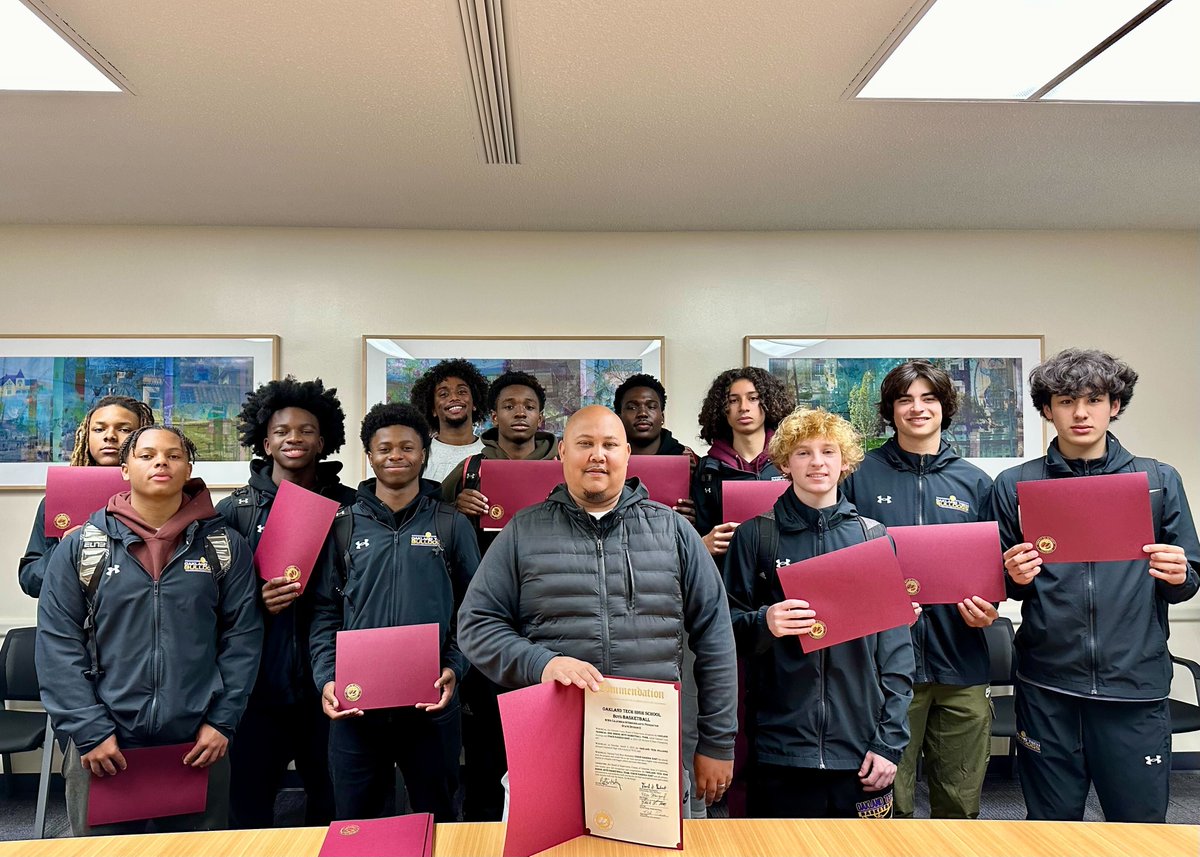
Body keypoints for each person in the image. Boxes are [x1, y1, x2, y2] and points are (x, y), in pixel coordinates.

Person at [458, 405, 739, 812]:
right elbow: (475, 626)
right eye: (584, 444)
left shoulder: (675, 531)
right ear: (561, 454)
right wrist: (542, 664)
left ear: (627, 454)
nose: (597, 455)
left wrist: (717, 742)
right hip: (549, 743)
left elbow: (716, 637)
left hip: (646, 748)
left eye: (609, 444)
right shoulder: (522, 531)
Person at [996, 349, 1199, 823]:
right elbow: (1003, 584)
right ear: (1047, 409)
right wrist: (1014, 575)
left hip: (1135, 685)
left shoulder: (1156, 480)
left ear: (1116, 406)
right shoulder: (1015, 484)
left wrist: (1179, 574)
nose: (1081, 413)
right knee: (1050, 827)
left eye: (1094, 399)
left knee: (1140, 827)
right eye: (1066, 400)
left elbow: (1188, 577)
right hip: (1047, 684)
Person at [35, 425, 262, 836]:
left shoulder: (223, 545)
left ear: (189, 467)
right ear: (124, 468)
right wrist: (89, 729)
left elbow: (242, 639)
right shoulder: (83, 545)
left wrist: (222, 722)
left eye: (174, 455)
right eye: (147, 455)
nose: (161, 462)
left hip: (198, 741)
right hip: (104, 744)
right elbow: (57, 643)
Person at [723, 408, 914, 819]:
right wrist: (765, 622)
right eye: (803, 452)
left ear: (845, 462)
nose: (817, 462)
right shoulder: (755, 536)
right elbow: (722, 631)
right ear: (785, 464)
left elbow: (897, 656)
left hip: (861, 750)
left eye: (828, 451)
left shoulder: (873, 538)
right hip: (780, 747)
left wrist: (889, 744)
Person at [309, 403, 480, 823]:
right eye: (385, 448)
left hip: (431, 703)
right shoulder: (342, 525)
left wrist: (455, 668)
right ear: (369, 455)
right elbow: (323, 613)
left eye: (408, 447)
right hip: (356, 708)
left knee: (436, 818)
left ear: (424, 453)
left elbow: (475, 611)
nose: (396, 455)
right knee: (355, 822)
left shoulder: (450, 524)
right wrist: (327, 678)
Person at [842, 361, 996, 819]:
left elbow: (995, 571)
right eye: (905, 399)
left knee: (960, 806)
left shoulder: (976, 483)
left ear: (944, 407)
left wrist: (988, 608)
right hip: (883, 670)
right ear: (891, 409)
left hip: (961, 660)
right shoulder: (857, 476)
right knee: (886, 809)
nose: (917, 408)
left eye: (929, 398)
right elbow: (839, 561)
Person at [215, 377, 356, 829]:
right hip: (256, 688)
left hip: (333, 683)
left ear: (324, 440)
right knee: (247, 809)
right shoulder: (232, 511)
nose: (293, 438)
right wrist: (253, 601)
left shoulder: (352, 507)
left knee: (334, 807)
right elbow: (203, 599)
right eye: (281, 431)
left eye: (306, 430)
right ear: (264, 441)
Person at [439, 370, 558, 820]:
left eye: (528, 405)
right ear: (493, 415)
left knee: (546, 733)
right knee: (487, 733)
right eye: (509, 406)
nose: (519, 413)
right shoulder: (471, 467)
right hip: (489, 615)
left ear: (541, 415)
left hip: (549, 614)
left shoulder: (563, 465)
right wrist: (457, 508)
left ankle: (543, 820)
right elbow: (438, 527)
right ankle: (484, 824)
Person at [18, 395, 155, 598]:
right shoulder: (57, 499)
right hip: (76, 621)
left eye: (124, 429)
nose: (110, 436)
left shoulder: (163, 498)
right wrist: (65, 549)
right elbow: (31, 582)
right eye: (99, 429)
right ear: (86, 437)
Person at [692, 367, 794, 557]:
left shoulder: (791, 462)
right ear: (722, 409)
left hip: (781, 568)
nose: (743, 407)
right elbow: (698, 531)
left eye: (753, 398)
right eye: (733, 400)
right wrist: (703, 543)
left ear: (768, 403)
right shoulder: (706, 469)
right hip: (725, 573)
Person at [410, 359, 490, 483]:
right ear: (433, 409)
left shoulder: (491, 453)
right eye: (443, 394)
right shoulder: (419, 454)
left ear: (475, 403)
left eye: (462, 392)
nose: (454, 397)